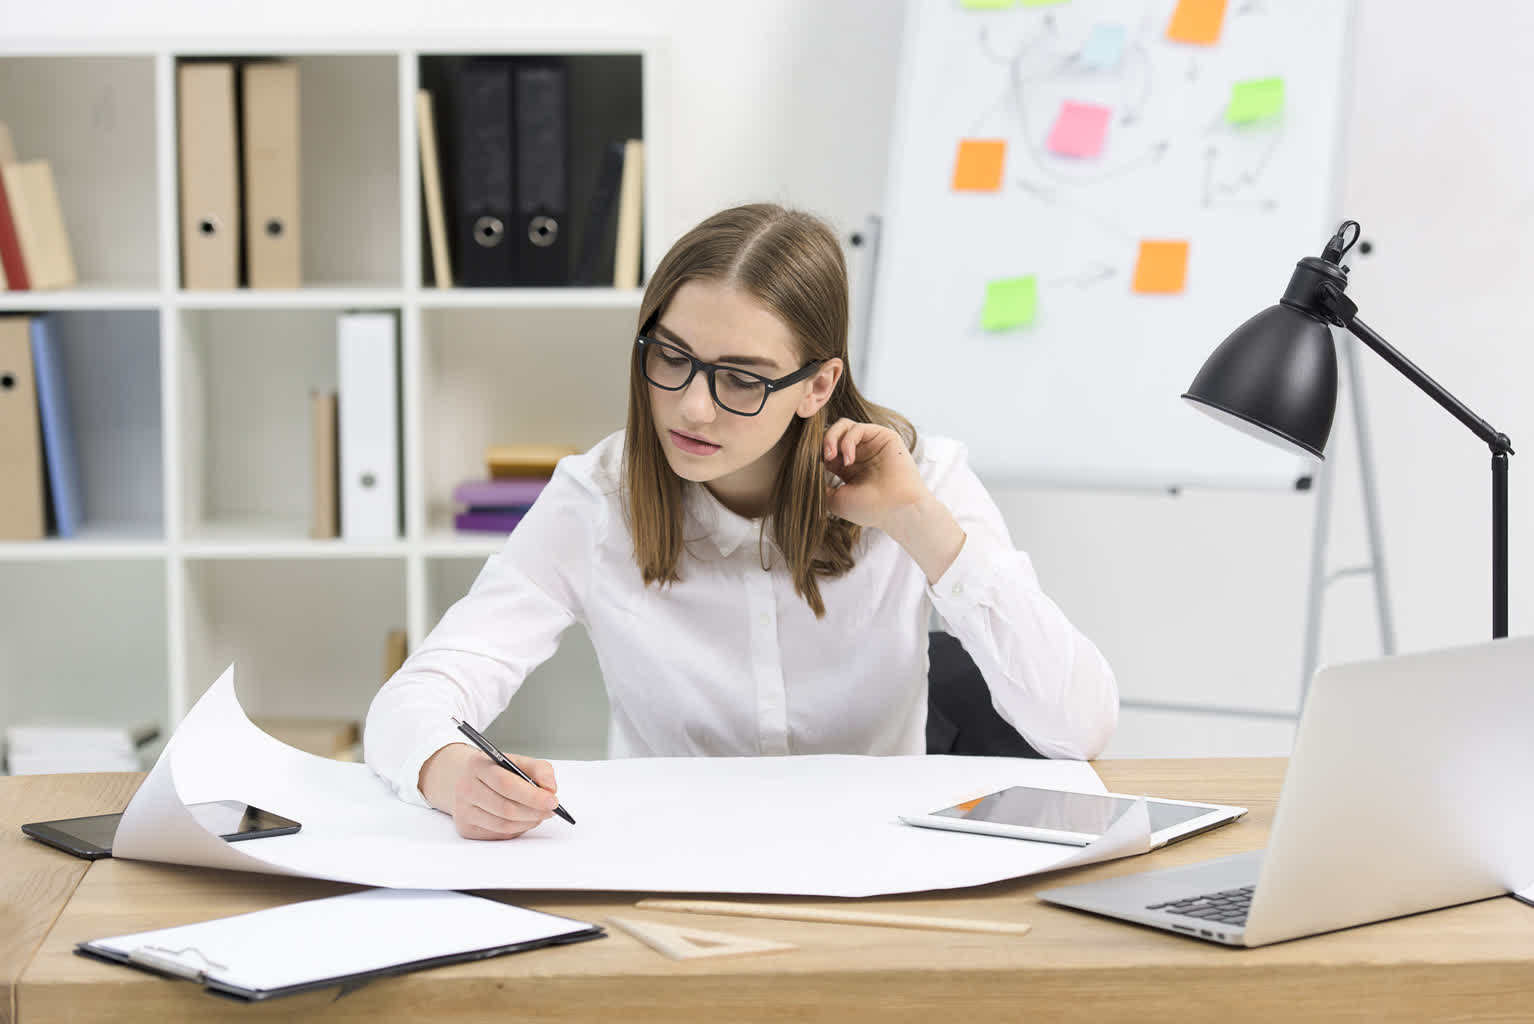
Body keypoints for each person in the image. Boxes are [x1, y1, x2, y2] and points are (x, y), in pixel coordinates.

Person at [364, 203, 1117, 840]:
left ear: (819, 384)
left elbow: (1077, 726)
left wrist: (920, 524)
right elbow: (415, 698)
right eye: (672, 357)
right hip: (665, 865)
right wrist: (450, 771)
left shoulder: (928, 479)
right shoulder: (595, 499)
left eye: (741, 379)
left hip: (874, 863)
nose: (692, 406)